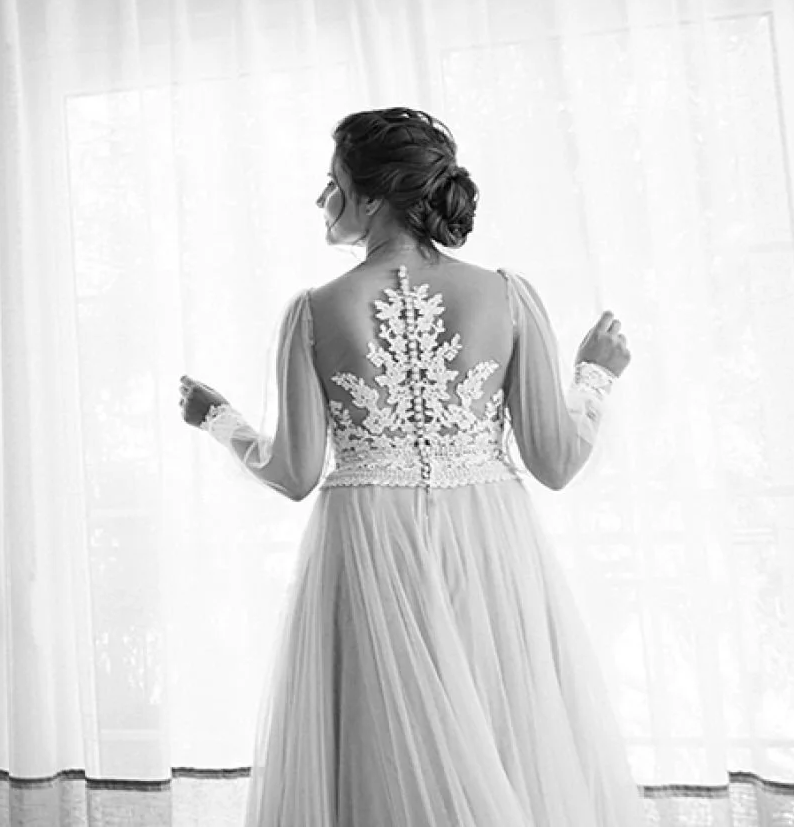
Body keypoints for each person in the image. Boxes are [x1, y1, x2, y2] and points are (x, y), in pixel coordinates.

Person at [181, 108, 640, 825]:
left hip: (369, 546)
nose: (321, 199)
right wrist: (595, 377)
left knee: (383, 751)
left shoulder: (313, 310)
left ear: (370, 196)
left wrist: (221, 421)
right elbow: (554, 461)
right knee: (501, 733)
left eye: (330, 183)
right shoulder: (509, 296)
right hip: (487, 545)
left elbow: (294, 473)